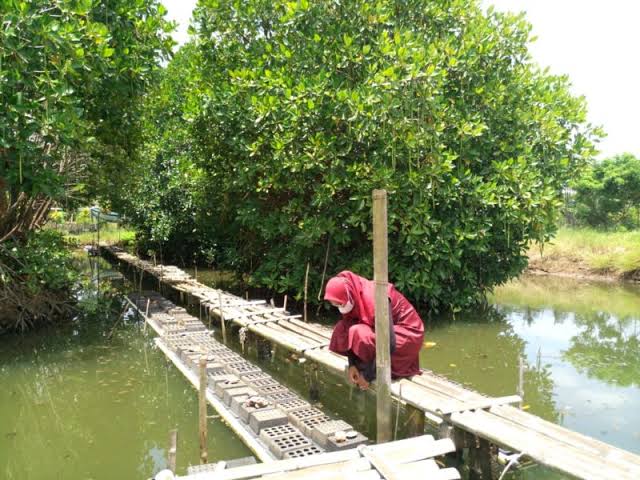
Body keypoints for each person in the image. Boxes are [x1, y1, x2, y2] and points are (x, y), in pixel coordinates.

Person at [324, 270, 424, 390]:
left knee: (358, 332)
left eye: (340, 304)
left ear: (348, 295)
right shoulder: (353, 295)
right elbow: (348, 330)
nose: (339, 307)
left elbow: (389, 343)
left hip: (407, 334)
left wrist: (368, 376)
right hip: (384, 332)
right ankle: (365, 365)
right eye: (336, 305)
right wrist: (352, 365)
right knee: (342, 328)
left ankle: (379, 368)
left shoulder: (376, 298)